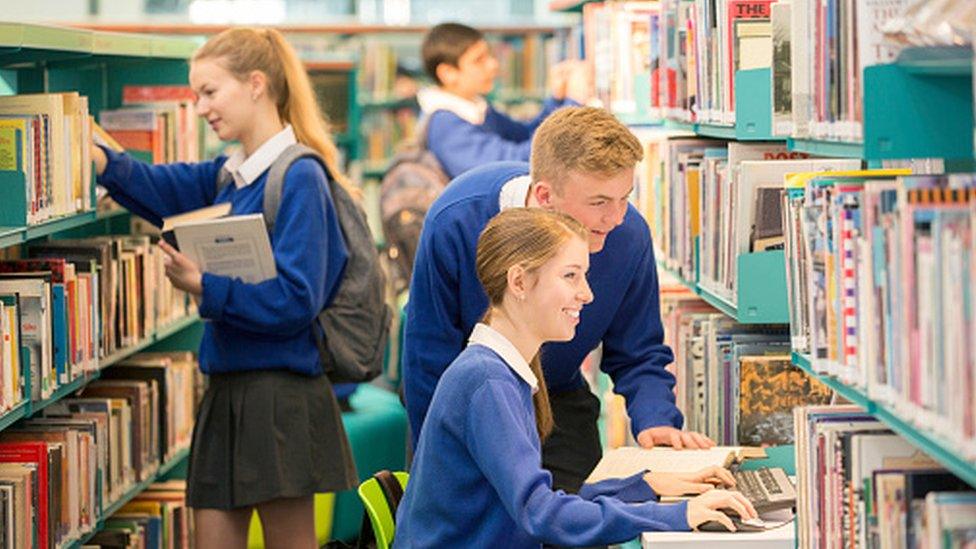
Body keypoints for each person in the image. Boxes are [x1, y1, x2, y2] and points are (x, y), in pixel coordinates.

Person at [92, 27, 357, 549]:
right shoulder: (229, 175)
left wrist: (206, 287)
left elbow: (295, 302)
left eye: (210, 92)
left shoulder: (298, 176)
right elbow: (159, 188)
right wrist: (103, 160)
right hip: (226, 392)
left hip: (280, 395)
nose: (202, 107)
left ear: (256, 84)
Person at [394, 208, 757, 548]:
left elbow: (540, 500)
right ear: (519, 281)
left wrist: (645, 486)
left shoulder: (502, 370)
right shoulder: (488, 382)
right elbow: (540, 513)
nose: (587, 294)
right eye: (571, 275)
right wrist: (678, 514)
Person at [403, 106, 716, 497]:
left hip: (559, 399)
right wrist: (435, 463)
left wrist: (656, 419)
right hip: (467, 405)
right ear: (545, 195)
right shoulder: (458, 218)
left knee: (586, 521)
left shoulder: (628, 235)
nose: (616, 218)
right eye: (599, 202)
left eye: (625, 198)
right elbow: (426, 358)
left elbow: (638, 350)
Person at [417, 22, 590, 179]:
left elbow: (524, 134)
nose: (493, 64)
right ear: (448, 73)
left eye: (489, 56)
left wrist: (557, 100)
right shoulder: (446, 124)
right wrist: (574, 102)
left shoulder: (475, 108)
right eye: (479, 60)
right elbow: (513, 164)